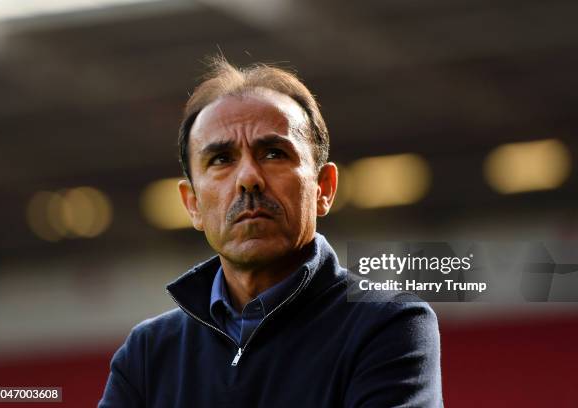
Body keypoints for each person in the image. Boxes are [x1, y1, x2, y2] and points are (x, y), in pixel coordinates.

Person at [98, 56, 442, 407]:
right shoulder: (146, 353)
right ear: (193, 205)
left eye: (274, 153)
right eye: (221, 160)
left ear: (324, 188)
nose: (249, 178)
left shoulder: (389, 324)